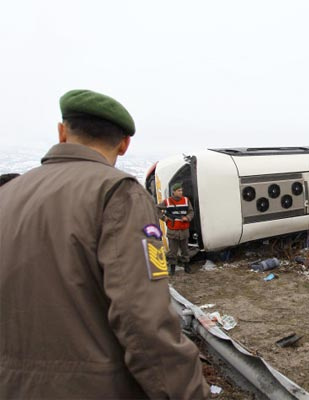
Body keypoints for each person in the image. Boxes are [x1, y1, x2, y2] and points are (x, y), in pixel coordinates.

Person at [0, 89, 209, 398]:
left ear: (62, 131)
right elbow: (143, 319)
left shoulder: (9, 194)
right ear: (125, 144)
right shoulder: (117, 195)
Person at [158, 182, 194, 275]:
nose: (181, 192)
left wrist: (187, 218)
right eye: (179, 190)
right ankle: (172, 268)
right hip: (173, 230)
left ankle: (186, 267)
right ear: (173, 192)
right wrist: (164, 218)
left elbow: (191, 212)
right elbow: (156, 209)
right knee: (172, 251)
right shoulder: (167, 201)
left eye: (181, 190)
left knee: (185, 250)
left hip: (184, 229)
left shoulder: (186, 200)